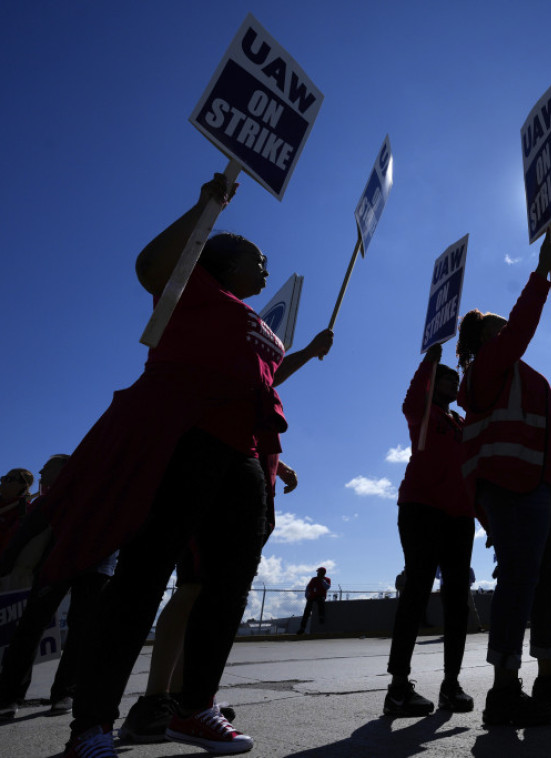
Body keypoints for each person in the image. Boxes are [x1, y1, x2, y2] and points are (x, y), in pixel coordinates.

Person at [10, 174, 333, 758]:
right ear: (222, 261)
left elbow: (264, 379)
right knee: (143, 576)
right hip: (185, 440)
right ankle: (91, 726)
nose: (266, 266)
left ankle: (194, 708)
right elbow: (150, 266)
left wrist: (306, 354)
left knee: (227, 585)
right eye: (256, 258)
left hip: (242, 455)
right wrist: (208, 207)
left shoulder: (257, 323)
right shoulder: (193, 289)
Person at [456, 232, 551, 726]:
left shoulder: (520, 373)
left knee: (550, 585)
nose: (509, 334)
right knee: (520, 581)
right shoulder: (487, 367)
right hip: (512, 487)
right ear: (485, 341)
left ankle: (549, 677)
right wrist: (541, 275)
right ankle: (503, 689)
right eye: (501, 330)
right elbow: (519, 329)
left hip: (543, 491)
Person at [119, 459, 298, 744]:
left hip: (252, 486)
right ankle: (154, 702)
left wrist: (280, 466)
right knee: (194, 586)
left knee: (208, 592)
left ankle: (180, 696)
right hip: (220, 476)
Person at [383, 344, 476, 717]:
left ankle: (451, 683)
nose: (452, 384)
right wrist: (429, 362)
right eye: (445, 379)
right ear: (432, 384)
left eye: (455, 380)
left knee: (458, 600)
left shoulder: (462, 424)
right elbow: (410, 397)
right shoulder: (422, 412)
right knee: (417, 591)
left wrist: (488, 522)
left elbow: (474, 470)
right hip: (421, 507)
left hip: (460, 514)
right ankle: (398, 687)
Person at [0, 456, 116, 721]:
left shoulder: (84, 494)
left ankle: (59, 693)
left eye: (47, 468)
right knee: (34, 627)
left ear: (66, 469)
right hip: (65, 566)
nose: (41, 472)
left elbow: (26, 533)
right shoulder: (52, 498)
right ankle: (13, 695)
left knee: (70, 629)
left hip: (87, 566)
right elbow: (27, 532)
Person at [297, 567, 331, 635]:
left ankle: (321, 617)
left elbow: (327, 587)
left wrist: (322, 580)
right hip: (312, 597)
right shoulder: (314, 579)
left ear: (322, 573)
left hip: (320, 596)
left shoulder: (327, 579)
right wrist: (307, 595)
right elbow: (308, 587)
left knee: (321, 602)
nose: (317, 573)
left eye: (319, 572)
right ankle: (302, 628)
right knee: (306, 611)